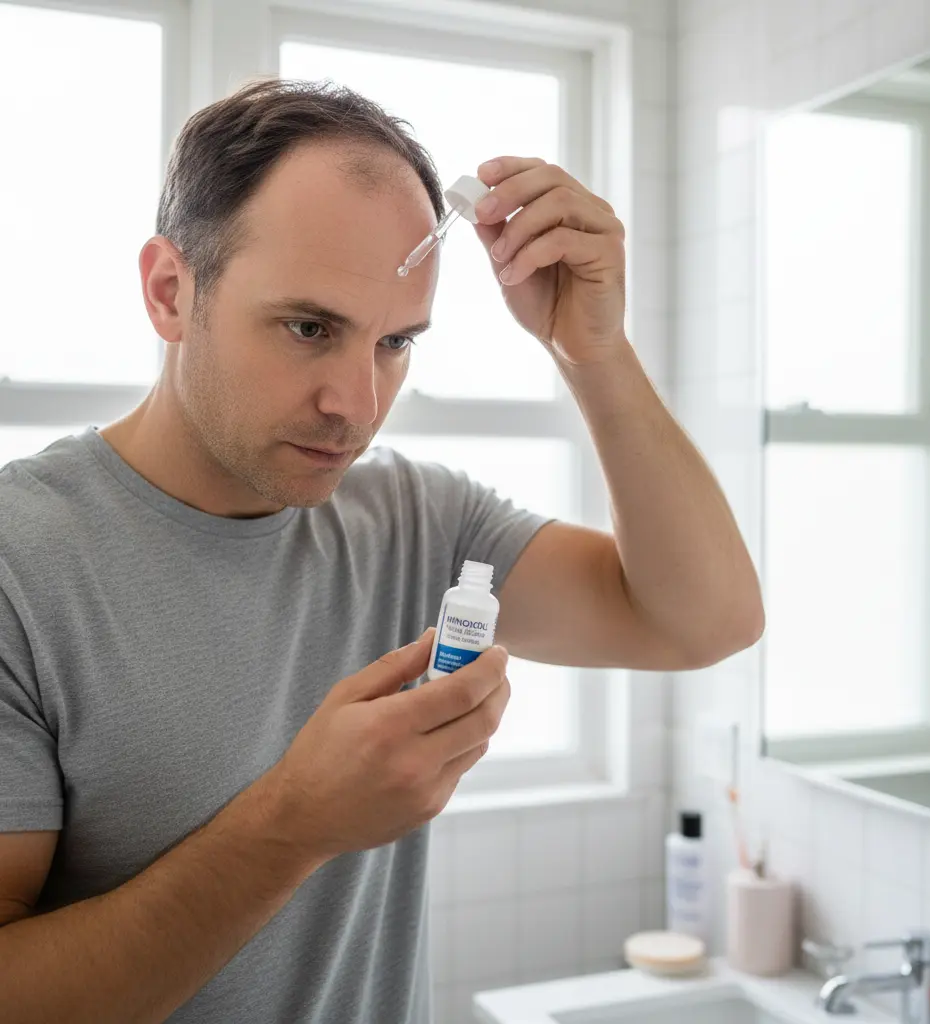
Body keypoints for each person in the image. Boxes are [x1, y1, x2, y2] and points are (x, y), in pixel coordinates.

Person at [0, 79, 763, 1023]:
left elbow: (705, 620)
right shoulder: (19, 567)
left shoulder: (411, 517)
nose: (356, 406)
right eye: (310, 328)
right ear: (170, 292)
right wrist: (292, 828)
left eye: (395, 342)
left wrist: (591, 353)